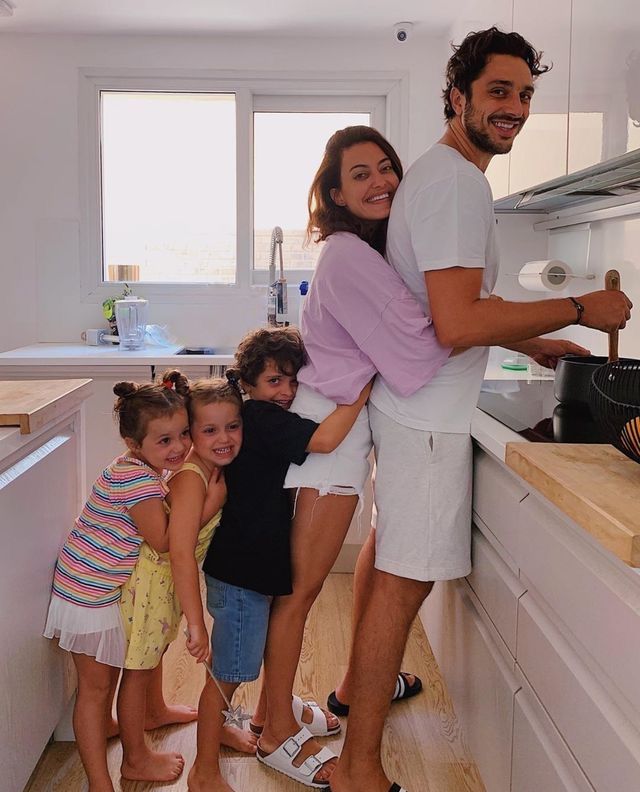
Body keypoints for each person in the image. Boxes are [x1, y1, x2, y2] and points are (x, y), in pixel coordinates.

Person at [329, 28, 633, 792]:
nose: (516, 109)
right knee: (404, 583)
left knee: (386, 558)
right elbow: (459, 324)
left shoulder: (444, 178)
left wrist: (534, 343)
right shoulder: (457, 184)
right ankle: (358, 766)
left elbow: (456, 303)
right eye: (500, 92)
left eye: (526, 95)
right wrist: (578, 307)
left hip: (416, 409)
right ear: (457, 96)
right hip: (429, 418)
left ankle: (350, 693)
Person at [255, 125, 456, 789]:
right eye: (360, 174)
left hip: (340, 432)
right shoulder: (345, 254)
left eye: (385, 168)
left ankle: (315, 699)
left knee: (333, 566)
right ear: (336, 193)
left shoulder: (362, 253)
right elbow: (419, 345)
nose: (379, 182)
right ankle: (272, 726)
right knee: (302, 588)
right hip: (327, 439)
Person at [187, 326, 371, 792]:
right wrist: (361, 390)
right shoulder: (262, 418)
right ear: (247, 384)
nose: (287, 392)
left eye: (292, 381)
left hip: (247, 569)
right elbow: (326, 440)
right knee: (226, 678)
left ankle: (257, 720)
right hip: (242, 576)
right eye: (275, 381)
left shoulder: (257, 415)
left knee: (233, 671)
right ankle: (203, 770)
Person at [43, 374, 192, 792]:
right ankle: (99, 781)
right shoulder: (138, 480)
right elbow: (162, 540)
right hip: (87, 597)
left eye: (183, 434)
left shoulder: (137, 467)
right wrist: (191, 499)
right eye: (164, 441)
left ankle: (117, 729)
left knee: (105, 685)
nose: (179, 447)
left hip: (89, 586)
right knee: (95, 689)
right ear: (134, 444)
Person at [117, 373, 255, 785]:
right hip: (152, 585)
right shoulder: (194, 479)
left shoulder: (202, 468)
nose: (224, 438)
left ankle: (155, 711)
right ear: (194, 431)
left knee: (153, 654)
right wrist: (197, 624)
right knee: (137, 668)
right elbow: (176, 551)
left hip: (161, 584)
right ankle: (133, 758)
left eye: (233, 427)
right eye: (209, 430)